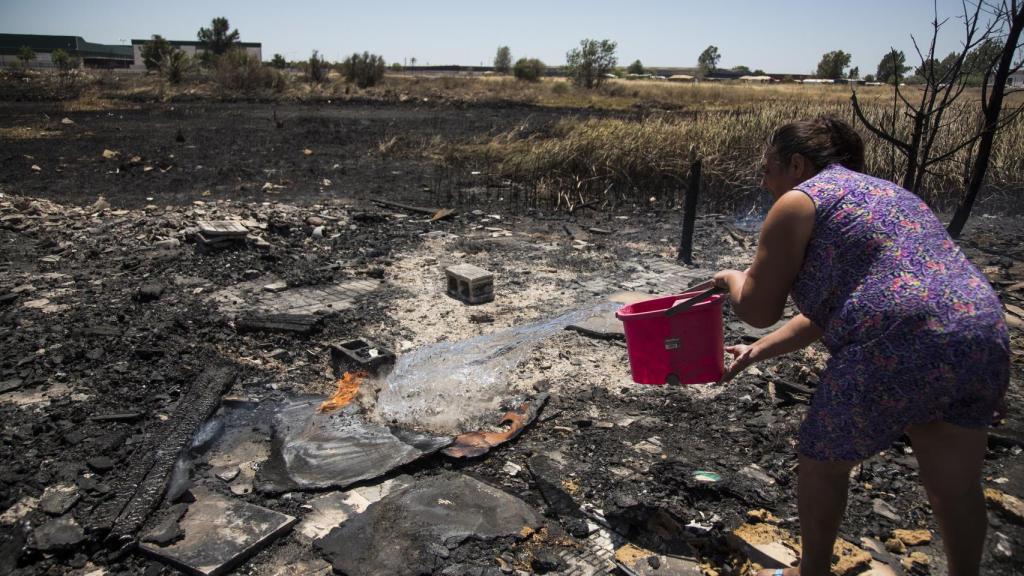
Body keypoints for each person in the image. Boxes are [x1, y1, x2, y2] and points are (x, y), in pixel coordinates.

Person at [712, 117, 1009, 576]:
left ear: (796, 164)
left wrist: (731, 278)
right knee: (954, 485)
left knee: (821, 462)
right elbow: (840, 309)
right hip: (979, 329)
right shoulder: (888, 193)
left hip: (899, 338)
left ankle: (813, 572)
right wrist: (755, 352)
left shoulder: (800, 200)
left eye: (768, 168)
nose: (764, 181)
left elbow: (757, 308)